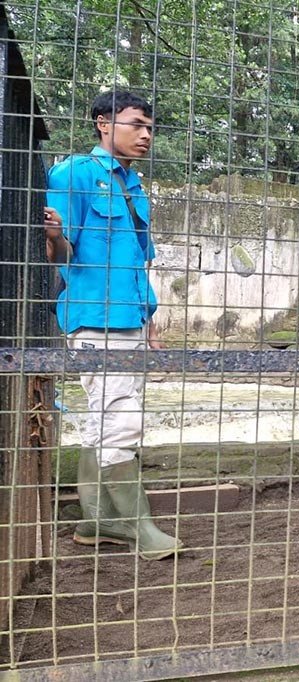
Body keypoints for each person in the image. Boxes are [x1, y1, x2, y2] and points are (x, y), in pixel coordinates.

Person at [44, 90, 182, 561]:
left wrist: (150, 321)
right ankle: (139, 528)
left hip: (131, 319)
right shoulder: (74, 173)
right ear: (104, 123)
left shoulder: (133, 184)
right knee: (122, 419)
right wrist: (55, 236)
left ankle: (96, 521)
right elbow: (60, 255)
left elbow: (137, 262)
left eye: (150, 128)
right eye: (136, 124)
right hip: (95, 318)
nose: (146, 135)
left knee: (105, 417)